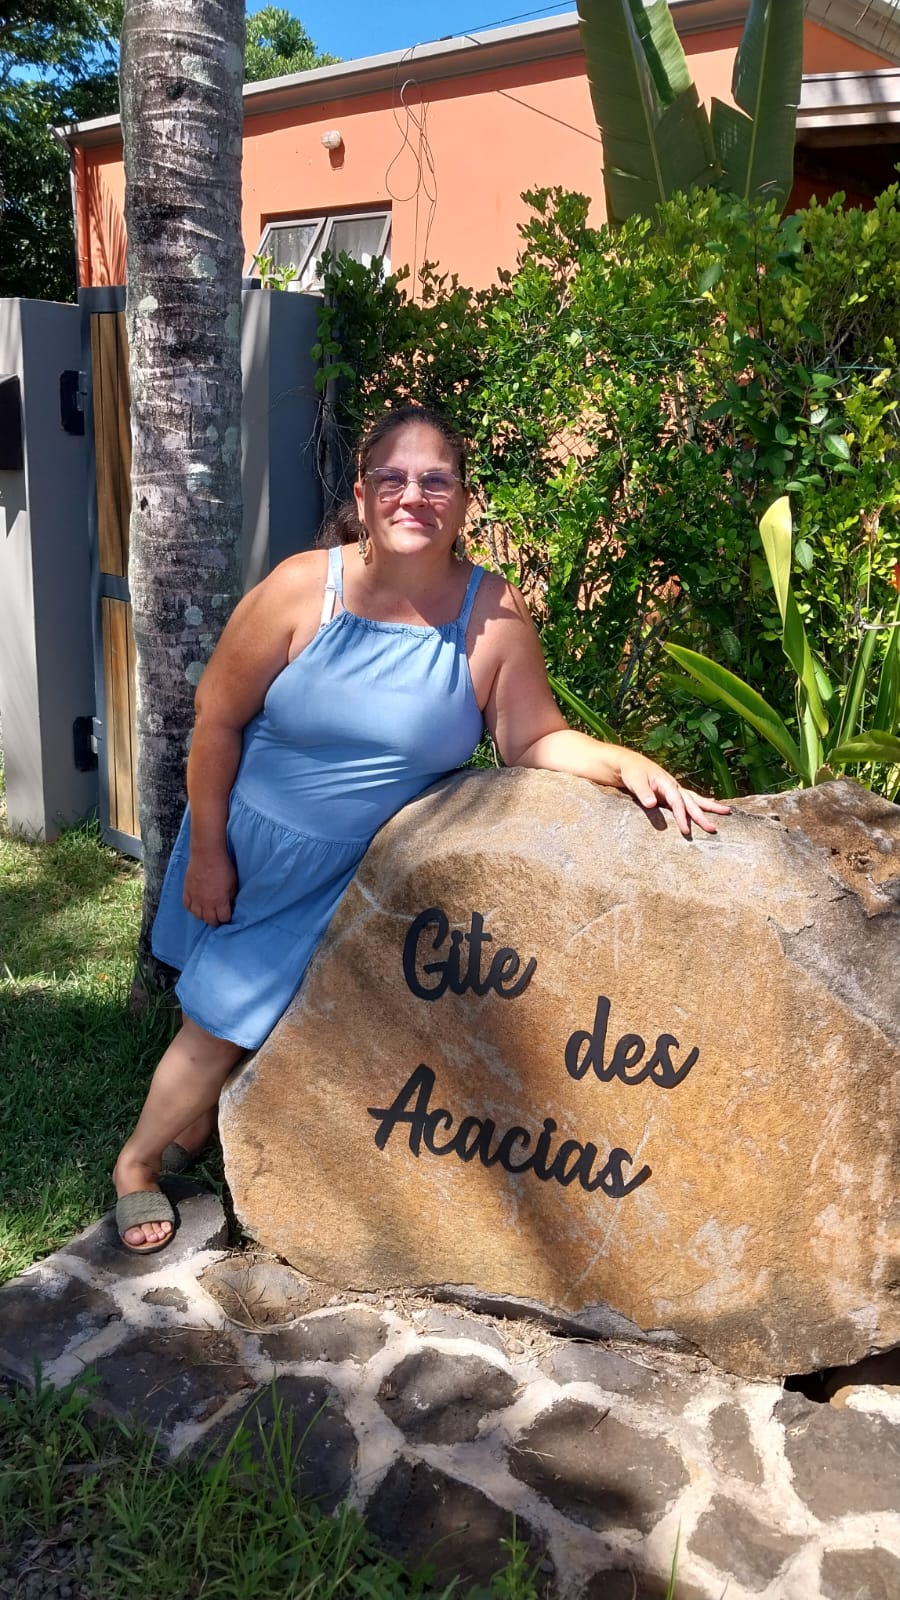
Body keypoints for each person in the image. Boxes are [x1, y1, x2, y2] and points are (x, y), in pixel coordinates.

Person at [113, 404, 729, 1252]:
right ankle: (137, 1164)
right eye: (393, 478)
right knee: (219, 1024)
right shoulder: (303, 587)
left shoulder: (490, 611)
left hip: (366, 869)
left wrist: (621, 762)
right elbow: (216, 721)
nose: (414, 496)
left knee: (270, 1023)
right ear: (363, 494)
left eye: (436, 481)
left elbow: (531, 739)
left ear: (465, 501)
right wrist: (210, 850)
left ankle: (192, 1129)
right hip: (257, 847)